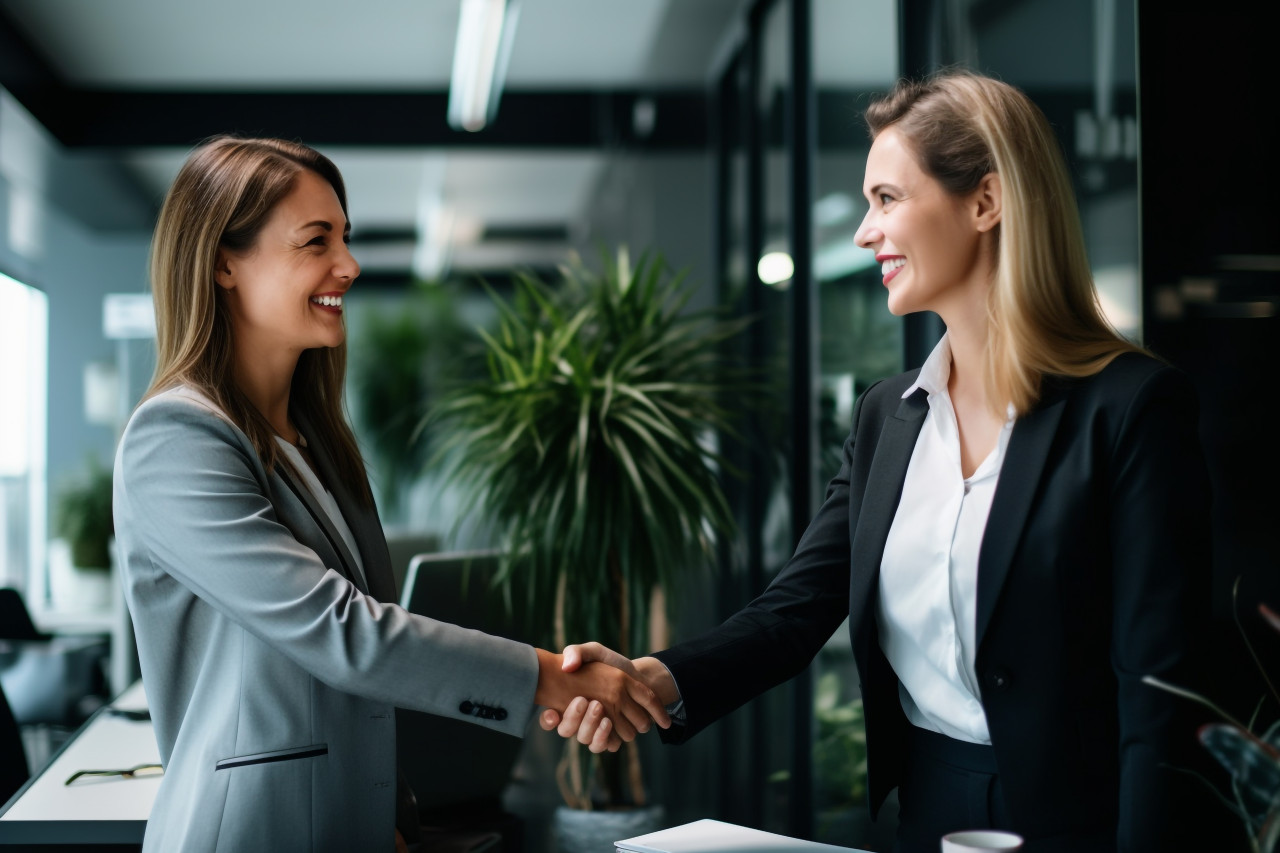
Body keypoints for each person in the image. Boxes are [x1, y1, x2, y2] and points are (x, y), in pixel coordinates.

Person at [541, 71, 1213, 852]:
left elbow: (1159, 699)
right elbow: (794, 612)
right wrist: (654, 677)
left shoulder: (1130, 408)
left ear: (987, 202)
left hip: (1083, 825)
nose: (865, 231)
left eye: (887, 199)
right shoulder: (887, 416)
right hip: (929, 815)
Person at [113, 136, 668, 853]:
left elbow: (360, 679)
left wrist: (393, 818)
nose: (348, 264)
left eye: (346, 238)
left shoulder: (318, 441)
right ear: (223, 261)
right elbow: (341, 629)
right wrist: (548, 680)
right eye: (317, 241)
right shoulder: (176, 438)